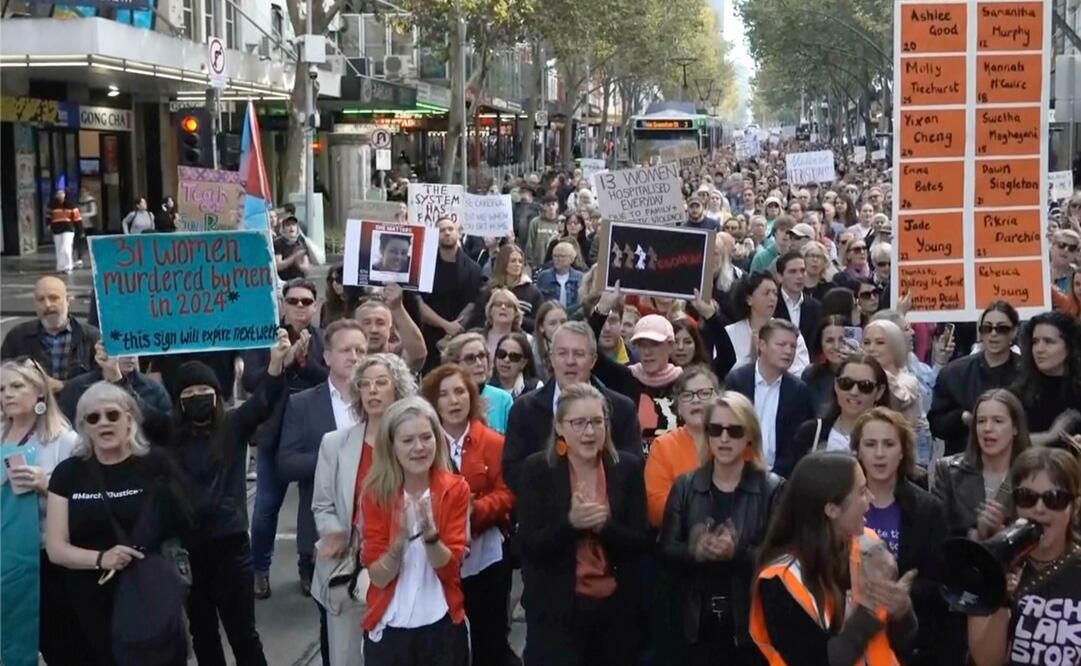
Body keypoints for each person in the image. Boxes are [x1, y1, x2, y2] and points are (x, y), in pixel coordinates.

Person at [45, 382, 193, 666]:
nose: (103, 423)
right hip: (91, 598)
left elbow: (182, 524)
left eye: (112, 415)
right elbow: (56, 547)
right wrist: (102, 558)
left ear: (130, 420)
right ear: (83, 427)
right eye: (93, 418)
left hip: (149, 590)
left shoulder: (156, 465)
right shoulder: (68, 473)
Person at [168, 332, 290, 666]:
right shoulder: (168, 434)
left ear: (217, 394)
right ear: (178, 401)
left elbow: (264, 400)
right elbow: (135, 409)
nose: (197, 398)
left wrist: (276, 363)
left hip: (231, 547)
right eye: (189, 393)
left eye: (204, 391)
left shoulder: (233, 425)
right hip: (188, 551)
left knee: (243, 634)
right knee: (203, 633)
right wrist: (120, 375)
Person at [516, 383, 649, 665]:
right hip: (557, 614)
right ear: (560, 427)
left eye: (597, 422)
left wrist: (605, 527)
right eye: (579, 423)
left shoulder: (626, 468)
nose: (589, 432)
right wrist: (571, 524)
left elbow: (640, 541)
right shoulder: (537, 470)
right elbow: (528, 544)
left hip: (615, 613)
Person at [749, 452, 919, 665]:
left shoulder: (870, 545)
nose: (870, 499)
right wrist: (867, 612)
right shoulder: (781, 579)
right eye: (861, 492)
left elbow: (904, 642)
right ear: (831, 509)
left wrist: (902, 611)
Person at [659, 391, 784, 664]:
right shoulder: (686, 486)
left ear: (749, 435)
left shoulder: (772, 488)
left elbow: (780, 558)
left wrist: (736, 552)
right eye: (716, 430)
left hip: (751, 627)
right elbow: (666, 550)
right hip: (695, 625)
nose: (724, 438)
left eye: (734, 430)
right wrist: (696, 549)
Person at [312, 352, 417, 666]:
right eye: (365, 384)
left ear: (397, 389)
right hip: (349, 571)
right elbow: (322, 504)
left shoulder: (419, 441)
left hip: (407, 569)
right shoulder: (334, 443)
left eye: (381, 383)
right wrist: (334, 532)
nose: (372, 390)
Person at [359, 397, 471, 665]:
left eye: (426, 437)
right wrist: (397, 545)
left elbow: (451, 570)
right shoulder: (376, 494)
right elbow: (378, 576)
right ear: (392, 446)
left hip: (441, 624)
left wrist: (431, 538)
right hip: (390, 627)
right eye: (407, 441)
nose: (419, 448)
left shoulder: (455, 490)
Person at [420, 364, 515, 666]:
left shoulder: (494, 442)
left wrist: (477, 510)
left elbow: (508, 494)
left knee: (490, 638)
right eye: (444, 394)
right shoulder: (423, 445)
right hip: (440, 556)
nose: (453, 400)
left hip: (486, 556)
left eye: (460, 391)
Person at [851, 408, 960, 665]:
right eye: (870, 444)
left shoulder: (928, 509)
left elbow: (941, 580)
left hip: (910, 644)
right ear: (857, 451)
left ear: (903, 452)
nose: (879, 454)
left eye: (888, 444)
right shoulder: (840, 504)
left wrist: (905, 593)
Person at [244, 278, 328, 599]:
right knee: (266, 505)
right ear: (282, 305)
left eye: (307, 301)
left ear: (315, 306)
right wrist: (281, 362)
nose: (300, 307)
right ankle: (259, 570)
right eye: (293, 301)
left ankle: (307, 568)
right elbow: (251, 381)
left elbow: (330, 377)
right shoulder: (265, 338)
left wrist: (304, 363)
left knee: (312, 506)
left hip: (313, 433)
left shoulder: (323, 338)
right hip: (275, 433)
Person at [276, 320, 368, 606]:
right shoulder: (302, 404)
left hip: (375, 531)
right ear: (327, 356)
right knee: (331, 624)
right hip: (325, 531)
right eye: (346, 350)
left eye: (361, 350)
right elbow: (287, 464)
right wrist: (336, 457)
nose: (354, 357)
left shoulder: (381, 401)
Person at [967, 446, 1081, 665]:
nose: (1039, 509)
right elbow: (986, 661)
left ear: (1074, 508)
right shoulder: (990, 562)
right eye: (1027, 497)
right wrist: (1002, 599)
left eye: (1054, 499)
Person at [503, 321, 642, 494]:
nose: (570, 361)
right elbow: (512, 471)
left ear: (593, 361)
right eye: (562, 353)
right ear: (551, 359)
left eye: (579, 354)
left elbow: (632, 470)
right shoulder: (524, 409)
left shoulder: (622, 408)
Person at [1, 358, 78, 666]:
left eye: (17, 386)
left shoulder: (64, 440)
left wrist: (47, 485)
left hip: (48, 562)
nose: (7, 394)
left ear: (40, 393)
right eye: (1, 388)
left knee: (59, 644)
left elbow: (88, 501)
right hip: (7, 560)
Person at [591, 289, 683, 449]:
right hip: (635, 468)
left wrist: (710, 316)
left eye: (654, 344)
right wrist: (602, 309)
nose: (647, 352)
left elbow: (726, 359)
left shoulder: (685, 382)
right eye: (641, 345)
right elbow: (590, 351)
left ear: (671, 346)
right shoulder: (627, 377)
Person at [934, 389, 1032, 538]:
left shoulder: (1033, 474)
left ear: (1015, 428)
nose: (987, 428)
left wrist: (1003, 534)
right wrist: (976, 534)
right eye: (981, 421)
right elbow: (937, 533)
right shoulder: (947, 470)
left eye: (998, 421)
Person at [724, 319, 816, 479]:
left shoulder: (798, 390)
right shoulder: (737, 380)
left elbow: (794, 444)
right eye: (781, 344)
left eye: (793, 346)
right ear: (762, 345)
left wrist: (774, 477)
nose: (788, 351)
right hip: (738, 471)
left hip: (780, 478)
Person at [929, 301, 1021, 455]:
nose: (993, 334)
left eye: (1001, 328)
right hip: (965, 460)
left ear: (1014, 331)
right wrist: (962, 417)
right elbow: (936, 424)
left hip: (1015, 460)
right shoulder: (954, 373)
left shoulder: (1027, 372)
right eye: (987, 328)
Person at [644, 365, 721, 529]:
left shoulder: (736, 439)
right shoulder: (663, 446)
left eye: (704, 393)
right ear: (678, 406)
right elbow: (656, 510)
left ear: (719, 399)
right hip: (680, 540)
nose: (696, 400)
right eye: (687, 395)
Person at [2, 276, 101, 392]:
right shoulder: (17, 337)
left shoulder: (91, 337)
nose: (47, 305)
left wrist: (63, 386)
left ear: (67, 301)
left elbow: (102, 380)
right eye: (41, 300)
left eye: (54, 298)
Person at [711, 273, 810, 378]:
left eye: (775, 293)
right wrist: (751, 358)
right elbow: (722, 371)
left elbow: (801, 373)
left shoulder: (790, 333)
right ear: (749, 299)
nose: (772, 298)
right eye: (766, 293)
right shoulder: (729, 333)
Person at [419, 217, 485, 372]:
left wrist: (453, 330)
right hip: (428, 336)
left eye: (450, 229)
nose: (447, 233)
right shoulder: (424, 267)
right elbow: (418, 302)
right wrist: (445, 325)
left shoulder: (473, 268)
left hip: (460, 336)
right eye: (442, 230)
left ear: (459, 234)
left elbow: (473, 303)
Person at [793, 351, 890, 455]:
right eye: (846, 383)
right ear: (836, 385)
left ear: (879, 392)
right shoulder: (811, 433)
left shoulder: (892, 437)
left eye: (865, 386)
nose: (854, 392)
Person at [863, 320, 930, 464]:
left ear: (895, 346)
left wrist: (880, 372)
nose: (871, 348)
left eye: (880, 343)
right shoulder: (866, 378)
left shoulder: (908, 380)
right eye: (867, 343)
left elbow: (900, 399)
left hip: (911, 458)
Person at [1009, 311, 1081, 444]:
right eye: (1035, 342)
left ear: (1069, 346)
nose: (1039, 349)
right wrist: (1050, 436)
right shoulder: (1019, 392)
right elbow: (1006, 442)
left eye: (1049, 342)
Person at [58, 342, 172, 425]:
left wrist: (118, 381)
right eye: (123, 349)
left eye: (135, 348)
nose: (131, 356)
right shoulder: (77, 387)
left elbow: (163, 429)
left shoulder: (154, 389)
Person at [440, 332, 514, 435]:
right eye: (470, 359)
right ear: (454, 364)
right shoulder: (446, 399)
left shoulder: (503, 399)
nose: (479, 363)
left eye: (482, 356)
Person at [470, 244, 544, 333]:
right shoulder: (488, 291)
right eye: (513, 261)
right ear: (503, 263)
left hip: (520, 339)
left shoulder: (533, 292)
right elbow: (478, 320)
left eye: (520, 261)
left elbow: (538, 323)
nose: (517, 265)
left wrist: (514, 316)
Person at [353, 286, 428, 373]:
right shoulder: (346, 355)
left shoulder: (397, 353)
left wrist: (397, 308)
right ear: (356, 327)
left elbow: (418, 354)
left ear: (390, 328)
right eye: (367, 323)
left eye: (380, 323)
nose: (374, 330)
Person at [801, 315, 852, 414]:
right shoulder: (810, 375)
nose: (836, 346)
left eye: (842, 340)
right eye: (830, 341)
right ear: (820, 344)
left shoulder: (864, 374)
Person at [773, 250, 821, 344]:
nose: (799, 276)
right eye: (792, 271)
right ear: (780, 277)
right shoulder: (771, 304)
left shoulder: (816, 307)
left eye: (802, 271)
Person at [481, 288, 532, 357]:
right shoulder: (477, 337)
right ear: (490, 310)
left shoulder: (528, 340)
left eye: (509, 305)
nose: (503, 307)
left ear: (516, 313)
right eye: (498, 304)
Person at [536, 241, 584, 312]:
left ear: (572, 259)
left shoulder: (580, 277)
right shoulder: (544, 276)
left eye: (562, 256)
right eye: (555, 256)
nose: (558, 259)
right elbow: (539, 302)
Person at [491, 332, 541, 397]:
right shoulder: (486, 387)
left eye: (514, 357)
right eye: (501, 354)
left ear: (523, 363)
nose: (506, 360)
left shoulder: (536, 388)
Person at [531, 301, 568, 383]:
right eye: (552, 323)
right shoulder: (533, 352)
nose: (559, 327)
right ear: (541, 327)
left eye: (563, 322)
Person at [47, 187, 82, 273]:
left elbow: (77, 218)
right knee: (58, 248)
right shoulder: (52, 205)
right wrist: (48, 225)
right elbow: (48, 216)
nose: (60, 195)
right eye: (58, 193)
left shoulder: (71, 205)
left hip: (68, 228)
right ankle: (60, 266)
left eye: (61, 193)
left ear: (65, 194)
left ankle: (68, 265)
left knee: (66, 247)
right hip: (56, 228)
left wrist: (80, 230)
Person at [526, 194, 563, 268]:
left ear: (557, 205)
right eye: (548, 205)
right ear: (543, 206)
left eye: (553, 204)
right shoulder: (535, 222)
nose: (551, 207)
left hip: (557, 264)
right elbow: (530, 243)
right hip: (538, 264)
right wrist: (531, 262)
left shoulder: (562, 222)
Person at [274, 216, 312, 281]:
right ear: (283, 228)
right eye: (288, 225)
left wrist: (300, 265)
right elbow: (278, 266)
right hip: (284, 282)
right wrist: (294, 257)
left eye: (293, 225)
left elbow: (306, 267)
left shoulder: (301, 242)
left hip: (300, 281)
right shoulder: (278, 243)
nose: (291, 227)